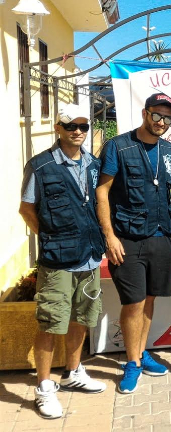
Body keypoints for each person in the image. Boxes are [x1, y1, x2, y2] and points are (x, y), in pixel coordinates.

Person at [19, 104, 106, 419]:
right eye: (71, 126)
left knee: (81, 318)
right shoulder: (40, 166)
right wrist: (49, 237)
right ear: (58, 128)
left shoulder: (93, 164)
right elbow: (26, 209)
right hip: (58, 261)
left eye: (83, 126)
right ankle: (44, 387)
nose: (78, 131)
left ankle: (73, 372)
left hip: (90, 256)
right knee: (51, 322)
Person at [96, 93, 171, 394]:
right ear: (145, 113)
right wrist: (109, 236)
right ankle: (131, 363)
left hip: (160, 235)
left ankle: (141, 354)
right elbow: (102, 191)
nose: (162, 122)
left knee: (150, 300)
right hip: (127, 238)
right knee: (133, 303)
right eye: (157, 115)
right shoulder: (118, 146)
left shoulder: (167, 149)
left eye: (168, 118)